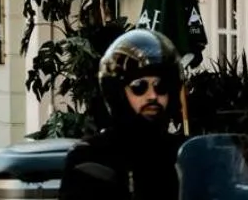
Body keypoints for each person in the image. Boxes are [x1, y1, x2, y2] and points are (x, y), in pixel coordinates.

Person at [60, 29, 187, 200]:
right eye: (139, 86)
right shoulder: (91, 156)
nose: (152, 96)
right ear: (118, 93)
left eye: (160, 86)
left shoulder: (184, 153)